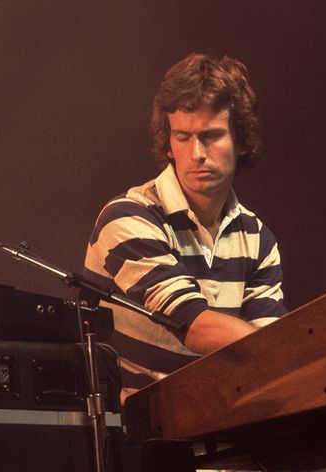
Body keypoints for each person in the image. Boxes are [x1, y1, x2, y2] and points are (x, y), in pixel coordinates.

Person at [83, 53, 287, 396]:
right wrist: (292, 350)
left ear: (241, 142)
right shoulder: (129, 216)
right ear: (168, 144)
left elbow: (271, 343)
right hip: (136, 437)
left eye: (211, 136)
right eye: (182, 137)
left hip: (221, 427)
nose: (196, 153)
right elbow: (191, 325)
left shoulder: (257, 239)